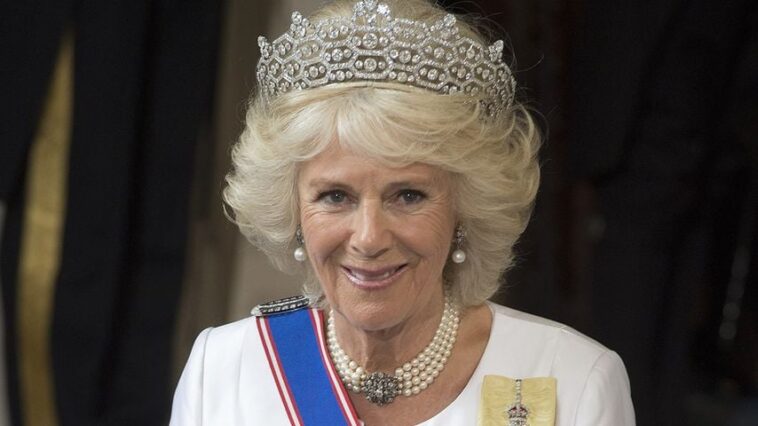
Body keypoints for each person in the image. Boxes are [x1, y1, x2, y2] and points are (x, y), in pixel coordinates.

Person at [170, 0, 635, 424]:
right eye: (335, 196)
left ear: (464, 208)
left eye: (408, 195)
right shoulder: (224, 369)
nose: (369, 238)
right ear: (293, 210)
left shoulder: (572, 380)